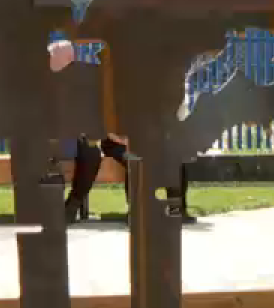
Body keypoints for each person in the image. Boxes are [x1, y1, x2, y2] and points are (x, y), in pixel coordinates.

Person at [47, 37, 193, 223]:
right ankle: (135, 212)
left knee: (170, 154)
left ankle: (177, 209)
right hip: (110, 139)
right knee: (132, 157)